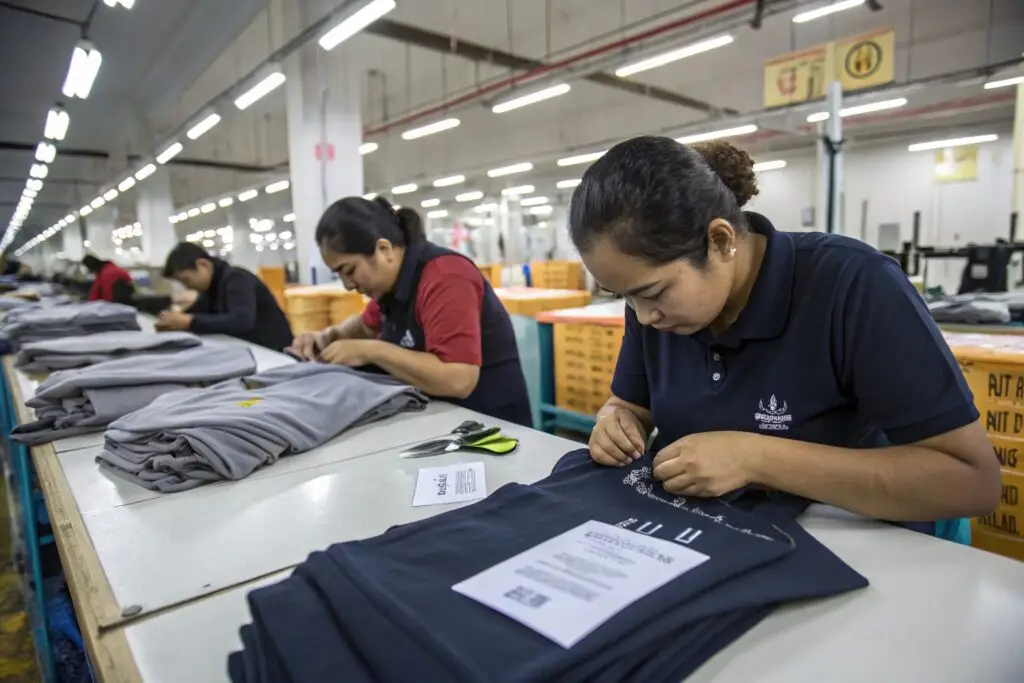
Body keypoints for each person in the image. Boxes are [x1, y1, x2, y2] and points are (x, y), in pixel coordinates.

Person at [571, 136, 999, 528]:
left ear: (720, 241)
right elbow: (631, 404)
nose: (644, 317)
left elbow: (971, 482)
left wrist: (757, 458)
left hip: (848, 539)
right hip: (709, 530)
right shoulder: (655, 307)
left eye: (653, 293)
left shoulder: (854, 286)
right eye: (626, 298)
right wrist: (616, 420)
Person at [289, 197, 532, 426]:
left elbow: (459, 379)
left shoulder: (445, 277)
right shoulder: (391, 285)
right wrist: (329, 336)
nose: (348, 284)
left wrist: (371, 351)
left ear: (383, 249)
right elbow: (366, 326)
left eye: (349, 270)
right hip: (442, 417)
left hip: (492, 426)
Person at [158, 242, 293, 351]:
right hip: (252, 350)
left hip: (274, 352)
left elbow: (241, 320)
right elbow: (201, 313)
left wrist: (189, 321)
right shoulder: (211, 288)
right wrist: (174, 320)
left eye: (186, 280)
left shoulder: (236, 279)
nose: (187, 287)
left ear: (203, 265)